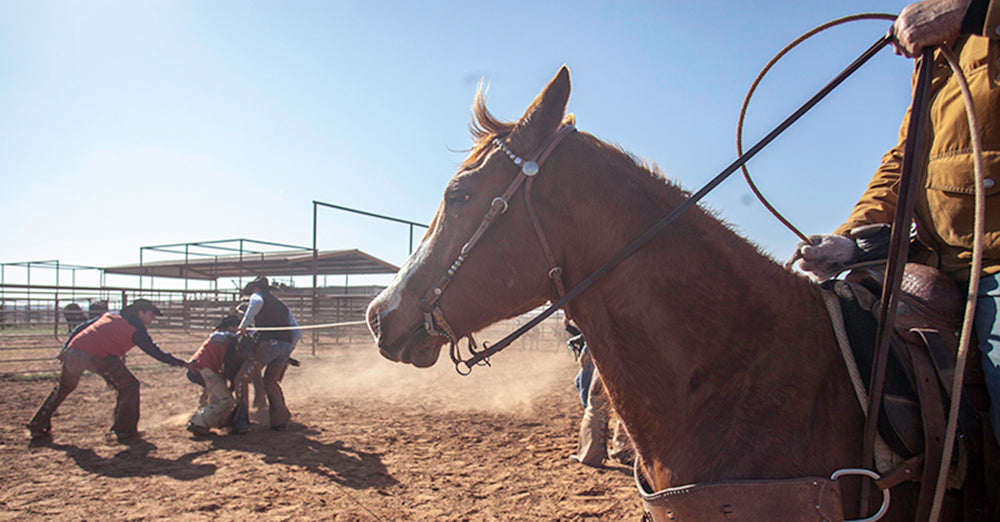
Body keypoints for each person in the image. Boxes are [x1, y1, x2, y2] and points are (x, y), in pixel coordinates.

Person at [788, 0, 1000, 445]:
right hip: (936, 263)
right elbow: (904, 161)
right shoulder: (941, 55)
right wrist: (850, 240)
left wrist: (977, 12)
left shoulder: (971, 22)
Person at [27, 299, 190, 442]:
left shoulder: (110, 315)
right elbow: (155, 352)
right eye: (151, 314)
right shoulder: (137, 329)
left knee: (64, 387)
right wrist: (180, 363)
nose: (153, 318)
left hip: (75, 351)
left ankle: (38, 425)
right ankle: (124, 430)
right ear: (140, 312)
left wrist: (66, 347)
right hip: (100, 355)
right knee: (129, 386)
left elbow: (81, 327)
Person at [230, 276, 301, 434]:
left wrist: (242, 327)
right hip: (284, 347)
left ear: (256, 288)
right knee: (271, 382)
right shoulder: (282, 305)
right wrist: (289, 348)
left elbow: (255, 304)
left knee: (241, 379)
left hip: (268, 346)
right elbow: (296, 330)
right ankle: (280, 419)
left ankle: (240, 423)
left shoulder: (258, 297)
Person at [565, 321, 634, 466]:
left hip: (612, 349)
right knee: (627, 398)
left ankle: (590, 454)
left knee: (596, 399)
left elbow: (602, 321)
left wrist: (587, 349)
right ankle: (623, 449)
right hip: (634, 349)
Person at [184, 314, 240, 437]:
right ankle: (198, 422)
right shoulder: (221, 335)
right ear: (231, 327)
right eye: (237, 327)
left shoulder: (223, 335)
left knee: (214, 397)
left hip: (205, 369)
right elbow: (218, 338)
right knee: (226, 401)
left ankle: (205, 419)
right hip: (204, 369)